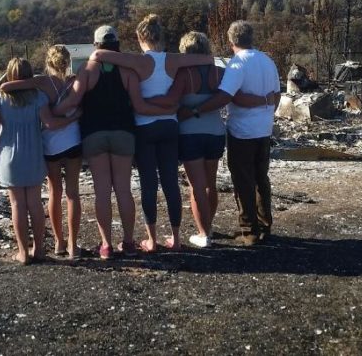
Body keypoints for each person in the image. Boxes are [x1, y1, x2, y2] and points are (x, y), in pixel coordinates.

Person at [89, 15, 211, 252]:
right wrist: (168, 104)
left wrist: (149, 102)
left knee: (148, 183)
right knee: (171, 183)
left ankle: (151, 240)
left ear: (139, 37)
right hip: (170, 126)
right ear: (161, 37)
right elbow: (207, 58)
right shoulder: (173, 60)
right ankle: (176, 239)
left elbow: (97, 55)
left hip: (145, 127)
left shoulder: (137, 61)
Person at [55, 25, 176, 259]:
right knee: (123, 189)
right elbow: (139, 105)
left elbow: (71, 102)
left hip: (94, 135)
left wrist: (49, 112)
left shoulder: (88, 70)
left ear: (96, 45)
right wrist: (169, 107)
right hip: (124, 134)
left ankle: (106, 245)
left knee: (102, 191)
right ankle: (129, 242)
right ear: (117, 44)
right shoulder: (128, 71)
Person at [149, 31, 277, 248]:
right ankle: (208, 227)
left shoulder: (183, 75)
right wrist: (264, 101)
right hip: (216, 133)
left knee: (196, 187)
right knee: (210, 185)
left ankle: (203, 233)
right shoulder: (220, 72)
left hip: (190, 134)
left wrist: (146, 102)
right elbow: (231, 97)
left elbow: (171, 100)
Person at [181, 21, 280, 246]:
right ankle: (265, 225)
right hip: (264, 129)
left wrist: (194, 110)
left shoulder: (237, 64)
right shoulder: (267, 60)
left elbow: (225, 97)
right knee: (261, 178)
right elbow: (277, 94)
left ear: (231, 40)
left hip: (242, 130)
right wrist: (267, 111)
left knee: (243, 180)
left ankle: (249, 230)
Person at [0, 58, 81, 265]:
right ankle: (39, 250)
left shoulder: (0, 99)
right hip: (35, 155)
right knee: (35, 204)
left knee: (17, 204)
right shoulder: (38, 98)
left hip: (10, 158)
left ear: (9, 75)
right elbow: (51, 123)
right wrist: (73, 118)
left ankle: (23, 252)